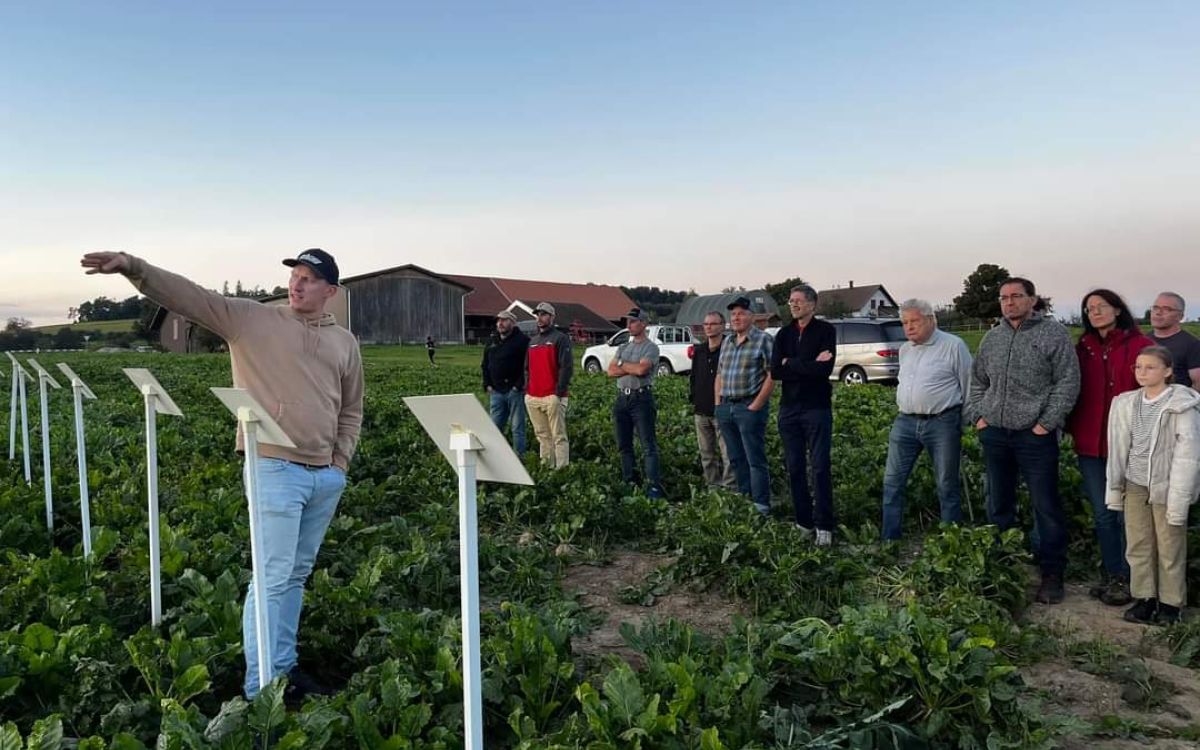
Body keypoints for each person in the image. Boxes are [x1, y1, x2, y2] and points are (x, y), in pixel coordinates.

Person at [80, 248, 364, 703]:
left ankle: (285, 668)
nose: (298, 284)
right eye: (296, 275)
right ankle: (262, 689)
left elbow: (351, 408)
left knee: (295, 576)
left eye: (310, 279)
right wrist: (136, 268)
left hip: (324, 477)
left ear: (330, 291)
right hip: (274, 465)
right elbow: (191, 297)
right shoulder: (251, 319)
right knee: (271, 579)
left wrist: (340, 462)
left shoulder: (344, 342)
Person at [966, 277, 1079, 605]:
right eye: (1004, 297)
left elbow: (1067, 381)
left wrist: (1045, 424)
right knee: (998, 502)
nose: (1009, 302)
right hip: (996, 434)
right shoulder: (993, 337)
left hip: (1035, 437)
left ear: (1032, 300)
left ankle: (1052, 574)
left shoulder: (1052, 334)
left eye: (1017, 296)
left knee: (1045, 505)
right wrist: (980, 418)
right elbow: (977, 380)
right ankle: (1005, 566)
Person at [1066, 289, 1153, 606]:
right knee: (1103, 514)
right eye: (1088, 308)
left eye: (1101, 306)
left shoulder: (1140, 346)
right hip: (1091, 444)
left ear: (1118, 309)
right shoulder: (1083, 349)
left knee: (1132, 514)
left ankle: (1139, 579)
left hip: (1131, 444)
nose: (1094, 312)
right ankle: (1115, 575)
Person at [1106, 346, 1200, 625]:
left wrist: (1179, 497)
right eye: (1138, 367)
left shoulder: (1182, 406)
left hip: (1166, 486)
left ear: (1168, 371)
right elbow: (1120, 447)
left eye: (1150, 367)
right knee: (1138, 543)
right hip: (1135, 484)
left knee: (1169, 545)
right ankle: (1144, 598)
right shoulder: (1125, 402)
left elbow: (1188, 456)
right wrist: (1116, 483)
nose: (1142, 372)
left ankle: (1171, 604)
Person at [881, 299, 972, 541]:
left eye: (914, 321)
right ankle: (889, 539)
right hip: (905, 422)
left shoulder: (953, 346)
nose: (909, 327)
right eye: (905, 323)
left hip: (942, 422)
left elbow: (969, 386)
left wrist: (961, 423)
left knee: (946, 483)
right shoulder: (905, 350)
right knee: (892, 482)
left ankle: (951, 541)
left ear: (931, 320)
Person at [769, 285, 837, 543]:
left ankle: (824, 525)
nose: (793, 305)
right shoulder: (783, 334)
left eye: (798, 300)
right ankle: (804, 522)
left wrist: (792, 363)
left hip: (816, 408)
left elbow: (824, 369)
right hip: (789, 409)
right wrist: (805, 364)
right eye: (790, 301)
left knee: (820, 467)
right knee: (795, 467)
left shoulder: (825, 331)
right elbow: (776, 371)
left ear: (812, 304)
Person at [714, 296, 775, 515]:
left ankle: (761, 505)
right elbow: (720, 374)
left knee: (754, 459)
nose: (737, 317)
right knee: (736, 458)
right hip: (727, 408)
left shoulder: (763, 340)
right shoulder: (728, 342)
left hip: (749, 407)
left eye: (741, 313)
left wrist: (757, 404)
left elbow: (772, 375)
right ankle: (745, 498)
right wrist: (718, 403)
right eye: (733, 314)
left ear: (752, 316)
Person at [607, 308, 665, 497]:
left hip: (641, 398)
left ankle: (653, 486)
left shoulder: (651, 347)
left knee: (648, 445)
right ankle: (629, 480)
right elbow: (610, 371)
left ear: (643, 324)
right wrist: (629, 367)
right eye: (628, 321)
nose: (629, 325)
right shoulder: (624, 347)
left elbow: (642, 370)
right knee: (624, 444)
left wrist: (623, 365)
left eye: (633, 321)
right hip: (622, 398)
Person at [689, 310, 734, 488]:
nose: (708, 327)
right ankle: (713, 487)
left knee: (727, 453)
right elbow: (694, 377)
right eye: (706, 324)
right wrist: (694, 399)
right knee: (706, 453)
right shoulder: (699, 350)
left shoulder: (729, 349)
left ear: (722, 326)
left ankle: (730, 489)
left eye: (713, 324)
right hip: (701, 410)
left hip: (722, 409)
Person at [525, 302, 573, 468]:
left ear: (552, 317)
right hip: (533, 396)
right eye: (538, 314)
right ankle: (547, 467)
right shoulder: (533, 341)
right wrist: (527, 390)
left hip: (552, 396)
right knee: (542, 436)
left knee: (558, 435)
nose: (540, 318)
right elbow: (527, 368)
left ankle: (562, 469)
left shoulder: (560, 339)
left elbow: (566, 367)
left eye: (544, 314)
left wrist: (558, 393)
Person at [482, 310, 530, 455]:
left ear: (513, 323)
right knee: (495, 427)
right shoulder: (492, 341)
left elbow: (527, 366)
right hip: (496, 391)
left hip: (514, 391)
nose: (500, 323)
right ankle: (496, 457)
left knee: (517, 427)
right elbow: (485, 364)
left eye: (504, 320)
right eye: (498, 321)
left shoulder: (522, 341)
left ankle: (519, 457)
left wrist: (518, 386)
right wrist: (487, 384)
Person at [1149, 292, 1200, 389]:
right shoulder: (1142, 341)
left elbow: (1198, 385)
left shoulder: (1193, 345)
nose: (1158, 312)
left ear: (1180, 316)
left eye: (1166, 309)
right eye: (1155, 308)